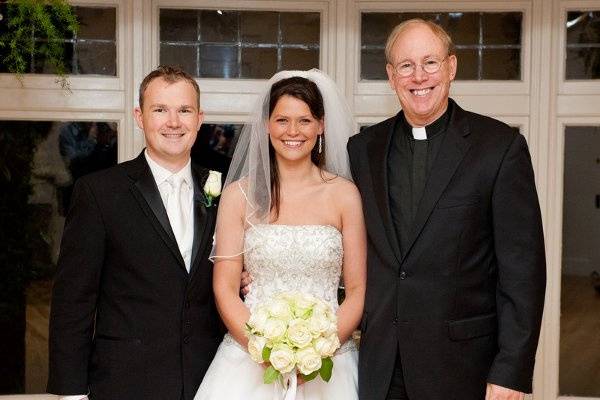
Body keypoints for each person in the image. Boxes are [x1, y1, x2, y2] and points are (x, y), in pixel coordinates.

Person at [347, 19, 546, 400]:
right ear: (391, 76)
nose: (418, 76)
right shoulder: (363, 150)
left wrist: (512, 370)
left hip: (462, 367)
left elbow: (523, 271)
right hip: (380, 364)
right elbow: (344, 238)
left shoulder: (499, 148)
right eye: (406, 65)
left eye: (430, 63)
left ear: (451, 67)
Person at [47, 65, 222, 400]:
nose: (173, 122)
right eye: (160, 110)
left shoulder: (225, 191)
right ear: (140, 117)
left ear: (199, 119)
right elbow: (73, 300)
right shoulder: (98, 193)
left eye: (184, 110)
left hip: (210, 381)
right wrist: (71, 393)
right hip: (125, 383)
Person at [194, 69, 366, 399]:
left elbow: (357, 290)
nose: (292, 131)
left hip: (329, 365)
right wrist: (267, 352)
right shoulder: (238, 196)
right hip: (249, 362)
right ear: (266, 125)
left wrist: (317, 353)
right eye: (282, 120)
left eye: (304, 120)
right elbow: (225, 288)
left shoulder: (345, 195)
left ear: (321, 125)